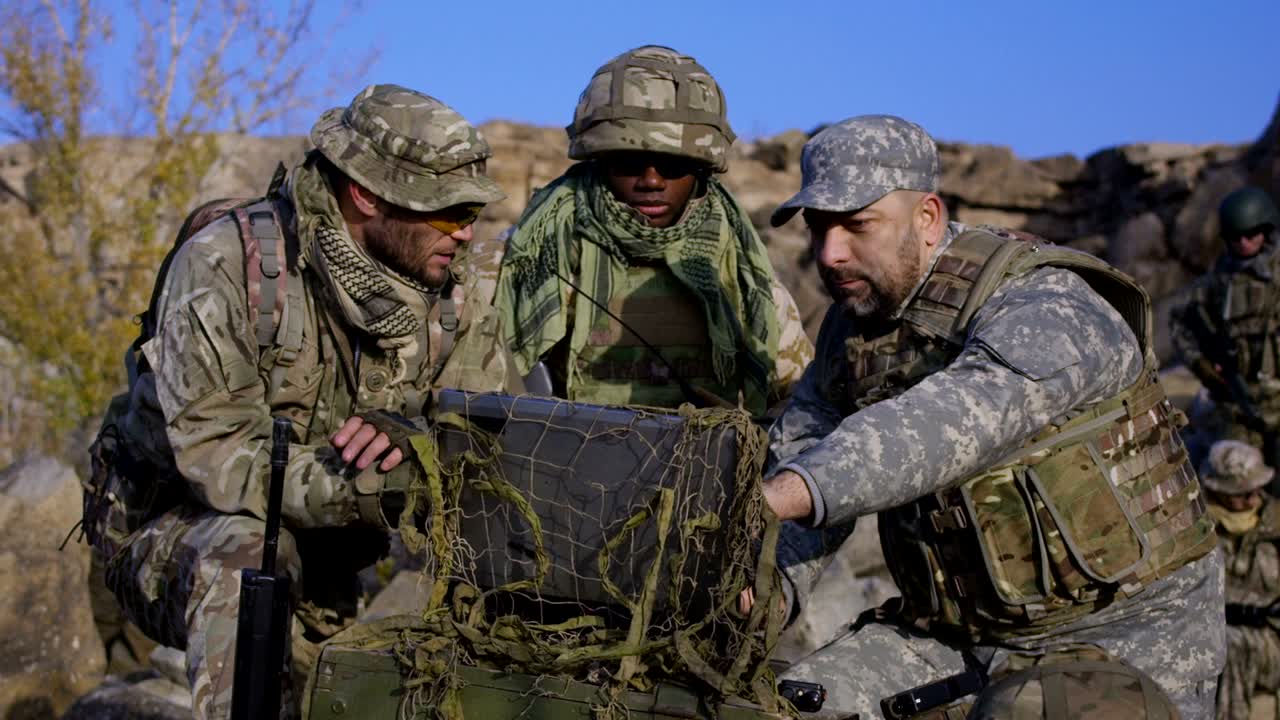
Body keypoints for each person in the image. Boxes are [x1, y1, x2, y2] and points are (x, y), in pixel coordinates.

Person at [754, 114, 1224, 718]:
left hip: (1124, 631)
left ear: (928, 218)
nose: (830, 253)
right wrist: (763, 589)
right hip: (958, 637)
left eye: (857, 225)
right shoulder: (851, 333)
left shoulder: (1049, 302)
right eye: (818, 228)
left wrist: (780, 496)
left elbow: (949, 422)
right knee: (779, 710)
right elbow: (799, 457)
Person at [93, 84, 512, 719]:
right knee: (243, 557)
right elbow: (220, 461)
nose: (466, 231)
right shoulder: (226, 266)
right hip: (173, 535)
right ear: (367, 195)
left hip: (334, 565)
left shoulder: (457, 295)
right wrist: (378, 482)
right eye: (448, 212)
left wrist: (419, 442)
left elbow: (486, 438)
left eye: (472, 211)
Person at [495, 45, 812, 414]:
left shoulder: (744, 278)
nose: (651, 181)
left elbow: (798, 404)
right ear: (599, 160)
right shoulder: (531, 257)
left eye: (673, 165)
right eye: (629, 162)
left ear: (701, 169)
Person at [1170, 186, 1280, 469]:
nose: (1243, 243)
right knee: (1230, 470)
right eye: (1235, 237)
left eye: (1251, 234)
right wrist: (1202, 366)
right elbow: (1180, 323)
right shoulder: (1217, 284)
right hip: (1238, 404)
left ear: (1267, 230)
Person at [1200, 440, 1280, 720]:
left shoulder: (1276, 524)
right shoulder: (1194, 530)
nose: (1253, 498)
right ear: (1217, 490)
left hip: (1270, 640)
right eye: (1242, 492)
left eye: (1257, 488)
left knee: (1231, 646)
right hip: (1207, 637)